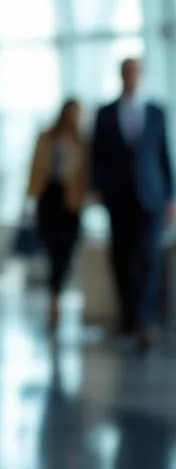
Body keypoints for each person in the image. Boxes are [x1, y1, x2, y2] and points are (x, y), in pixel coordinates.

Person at [90, 58, 174, 349]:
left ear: (141, 76)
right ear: (121, 75)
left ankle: (144, 320)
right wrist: (97, 188)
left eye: (135, 72)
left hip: (151, 196)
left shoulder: (156, 112)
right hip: (118, 196)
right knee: (122, 257)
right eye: (127, 72)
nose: (131, 77)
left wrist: (170, 198)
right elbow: (97, 156)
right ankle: (128, 315)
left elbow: (164, 156)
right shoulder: (105, 113)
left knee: (149, 256)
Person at [25, 98, 89, 333]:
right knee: (53, 251)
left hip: (71, 203)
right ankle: (54, 300)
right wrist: (29, 197)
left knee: (65, 252)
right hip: (49, 199)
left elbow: (87, 173)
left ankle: (56, 296)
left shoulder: (82, 142)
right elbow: (34, 168)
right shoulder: (46, 138)